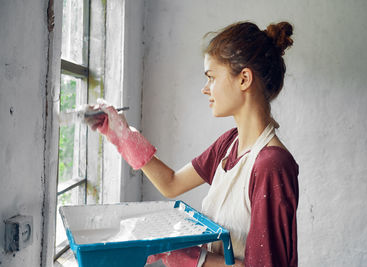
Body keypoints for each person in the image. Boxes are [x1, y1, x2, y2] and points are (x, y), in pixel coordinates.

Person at [86, 21, 299, 267]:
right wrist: (122, 135)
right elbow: (171, 184)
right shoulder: (230, 143)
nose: (205, 89)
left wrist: (194, 258)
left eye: (211, 77)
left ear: (244, 79)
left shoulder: (271, 164)